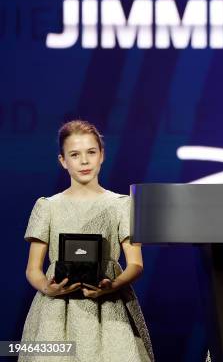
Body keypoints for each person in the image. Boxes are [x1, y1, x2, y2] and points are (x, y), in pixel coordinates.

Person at [20, 120, 154, 362]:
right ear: (63, 160)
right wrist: (47, 287)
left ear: (101, 155)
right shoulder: (47, 207)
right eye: (74, 154)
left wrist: (113, 285)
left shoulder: (121, 205)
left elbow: (136, 264)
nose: (84, 161)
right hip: (56, 311)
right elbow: (32, 269)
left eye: (91, 152)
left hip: (108, 309)